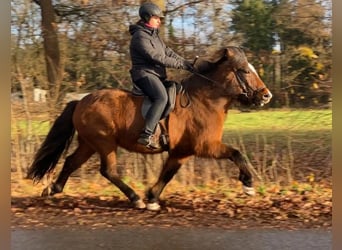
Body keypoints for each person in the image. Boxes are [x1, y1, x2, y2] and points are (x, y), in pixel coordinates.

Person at [129, 2, 194, 149]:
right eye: (156, 18)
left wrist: (186, 62)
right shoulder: (140, 36)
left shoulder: (155, 36)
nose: (160, 20)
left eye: (160, 18)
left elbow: (168, 52)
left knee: (175, 89)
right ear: (147, 18)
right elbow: (156, 57)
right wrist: (180, 65)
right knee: (161, 97)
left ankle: (164, 131)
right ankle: (146, 134)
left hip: (156, 75)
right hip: (144, 75)